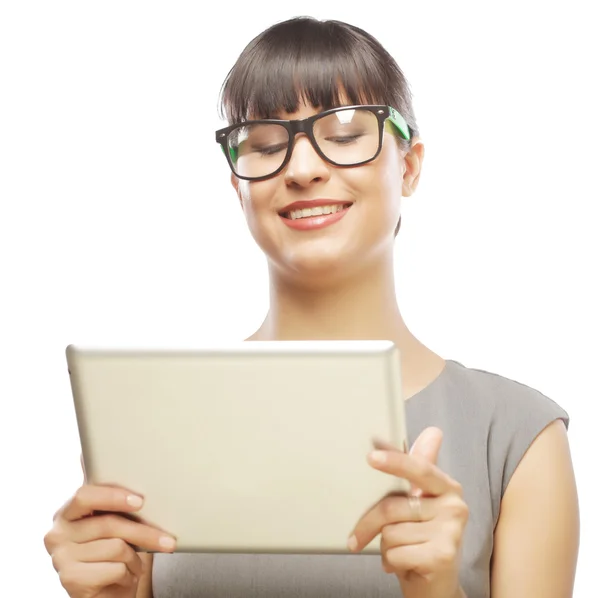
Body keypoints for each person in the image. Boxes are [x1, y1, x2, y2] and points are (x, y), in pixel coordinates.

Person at [44, 16, 579, 598]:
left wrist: (435, 587)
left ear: (410, 165)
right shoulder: (154, 422)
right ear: (237, 187)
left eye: (347, 134)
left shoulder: (519, 438)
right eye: (266, 145)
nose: (301, 169)